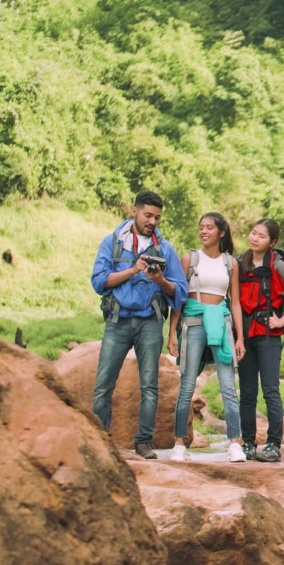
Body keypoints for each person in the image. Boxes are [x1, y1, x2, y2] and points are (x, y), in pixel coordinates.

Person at [90, 190, 188, 459]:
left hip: (150, 323)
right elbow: (99, 282)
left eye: (157, 217)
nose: (152, 221)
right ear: (134, 211)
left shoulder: (165, 249)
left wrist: (160, 281)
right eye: (148, 215)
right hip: (117, 320)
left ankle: (143, 442)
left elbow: (179, 292)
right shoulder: (112, 243)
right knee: (103, 384)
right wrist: (133, 270)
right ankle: (100, 439)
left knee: (150, 386)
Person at [166, 212, 248, 463]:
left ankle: (234, 443)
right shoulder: (190, 258)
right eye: (201, 227)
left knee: (228, 387)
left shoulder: (230, 263)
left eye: (209, 228)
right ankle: (179, 444)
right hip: (193, 320)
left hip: (221, 323)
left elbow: (234, 303)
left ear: (221, 233)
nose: (203, 231)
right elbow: (179, 298)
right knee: (187, 384)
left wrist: (240, 338)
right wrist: (172, 332)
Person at [237, 218, 284, 462]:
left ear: (272, 242)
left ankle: (273, 445)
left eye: (262, 236)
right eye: (253, 233)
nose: (254, 238)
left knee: (270, 390)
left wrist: (281, 320)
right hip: (245, 336)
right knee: (247, 393)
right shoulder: (240, 263)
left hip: (268, 337)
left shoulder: (278, 266)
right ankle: (247, 443)